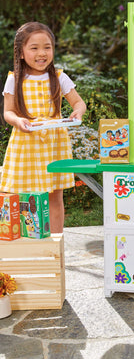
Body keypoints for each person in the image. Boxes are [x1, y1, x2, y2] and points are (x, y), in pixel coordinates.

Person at [0, 22, 86, 234]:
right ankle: (23, 241)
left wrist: (78, 112)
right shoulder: (14, 79)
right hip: (25, 142)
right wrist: (18, 121)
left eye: (47, 47)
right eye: (34, 47)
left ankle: (56, 242)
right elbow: (8, 112)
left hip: (53, 144)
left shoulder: (58, 77)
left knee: (55, 194)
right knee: (21, 194)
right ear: (21, 52)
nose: (42, 53)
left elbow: (78, 103)